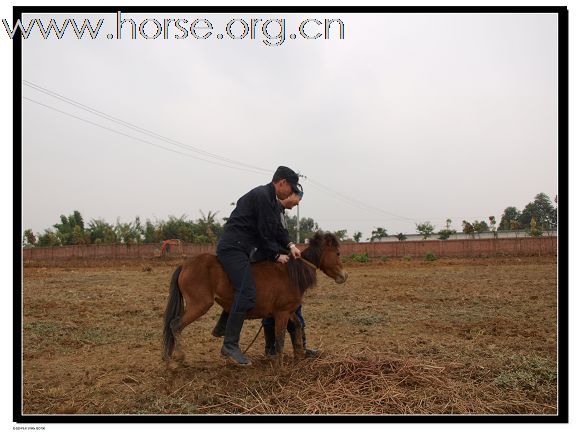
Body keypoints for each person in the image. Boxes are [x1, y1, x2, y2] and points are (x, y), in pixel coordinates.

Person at [213, 166, 302, 366]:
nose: (291, 193)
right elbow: (264, 233)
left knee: (254, 284)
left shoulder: (271, 200)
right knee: (246, 290)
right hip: (233, 248)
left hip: (245, 249)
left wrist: (290, 246)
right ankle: (230, 344)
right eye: (291, 188)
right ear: (282, 183)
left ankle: (222, 323)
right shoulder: (262, 197)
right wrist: (275, 255)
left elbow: (277, 229)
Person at [257, 190, 319, 359]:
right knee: (283, 308)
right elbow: (270, 237)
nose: (298, 203)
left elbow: (281, 236)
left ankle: (294, 348)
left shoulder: (281, 212)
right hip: (273, 264)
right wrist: (279, 254)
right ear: (291, 194)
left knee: (287, 308)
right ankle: (283, 349)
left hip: (279, 261)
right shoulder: (273, 210)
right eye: (298, 198)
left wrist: (290, 249)